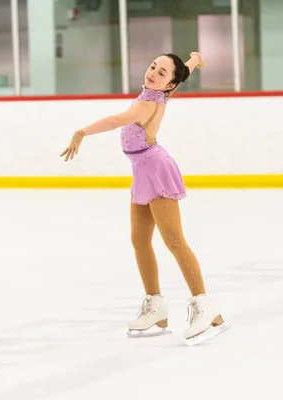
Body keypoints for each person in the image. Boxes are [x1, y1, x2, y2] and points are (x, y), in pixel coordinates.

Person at [60, 52, 227, 345]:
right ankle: (155, 306)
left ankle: (205, 306)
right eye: (153, 67)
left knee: (174, 240)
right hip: (142, 171)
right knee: (139, 239)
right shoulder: (161, 93)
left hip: (156, 170)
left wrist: (82, 132)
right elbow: (182, 73)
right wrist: (194, 60)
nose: (152, 73)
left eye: (161, 73)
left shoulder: (146, 103)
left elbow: (115, 120)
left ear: (168, 84)